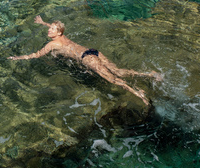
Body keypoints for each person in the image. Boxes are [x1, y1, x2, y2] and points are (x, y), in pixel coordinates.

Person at [8, 16, 162, 106]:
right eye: (50, 28)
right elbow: (56, 27)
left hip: (87, 59)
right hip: (93, 51)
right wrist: (43, 23)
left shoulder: (52, 44)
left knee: (113, 80)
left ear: (58, 32)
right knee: (118, 71)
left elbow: (35, 54)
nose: (49, 30)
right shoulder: (62, 36)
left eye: (51, 29)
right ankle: (149, 74)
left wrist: (18, 58)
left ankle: (138, 94)